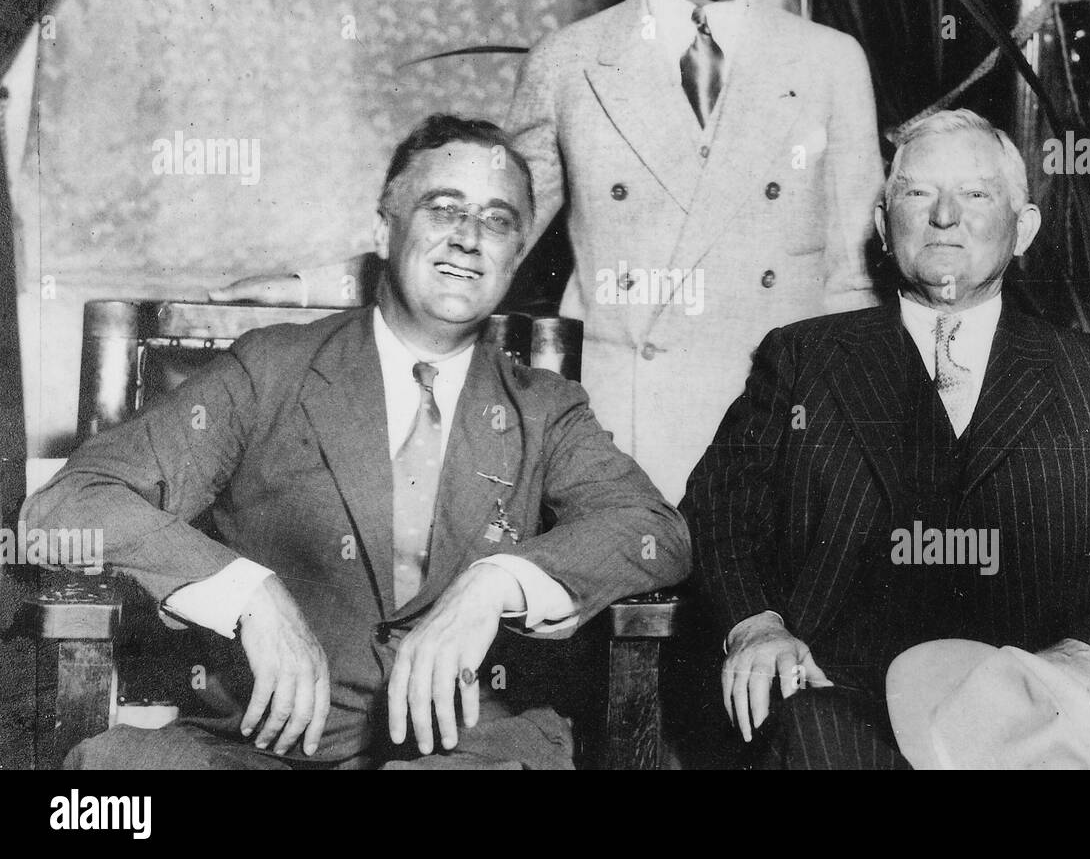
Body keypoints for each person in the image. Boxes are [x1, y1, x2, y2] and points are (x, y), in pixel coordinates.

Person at [212, 0, 884, 505]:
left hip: (781, 440)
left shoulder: (830, 63)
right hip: (629, 442)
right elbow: (488, 232)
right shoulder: (569, 63)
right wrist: (307, 285)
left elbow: (854, 282)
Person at [22, 114, 690, 769]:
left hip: (465, 752)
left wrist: (496, 582)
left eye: (497, 220)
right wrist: (246, 593)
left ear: (516, 254)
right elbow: (70, 502)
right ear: (383, 228)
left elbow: (652, 529)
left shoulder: (544, 408)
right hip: (258, 748)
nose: (468, 238)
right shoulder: (270, 371)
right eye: (443, 207)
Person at [681, 109, 1090, 769]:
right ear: (883, 227)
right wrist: (755, 625)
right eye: (918, 193)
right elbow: (718, 507)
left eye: (976, 194)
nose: (944, 216)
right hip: (837, 707)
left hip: (1027, 721)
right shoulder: (805, 358)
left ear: (1022, 229)